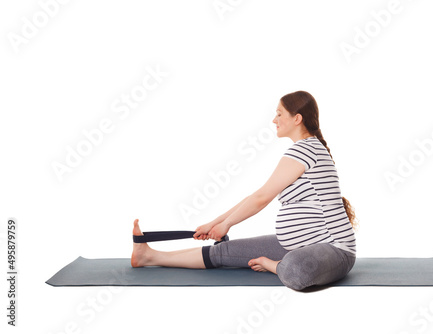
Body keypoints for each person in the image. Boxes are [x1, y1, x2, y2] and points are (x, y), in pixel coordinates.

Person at [131, 90, 358, 290]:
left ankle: (275, 265)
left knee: (295, 271)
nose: (274, 119)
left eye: (280, 114)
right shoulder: (304, 150)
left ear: (297, 118)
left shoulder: (306, 149)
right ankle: (149, 256)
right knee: (224, 251)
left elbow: (262, 198)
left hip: (334, 250)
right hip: (295, 245)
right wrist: (215, 223)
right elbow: (257, 194)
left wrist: (232, 229)